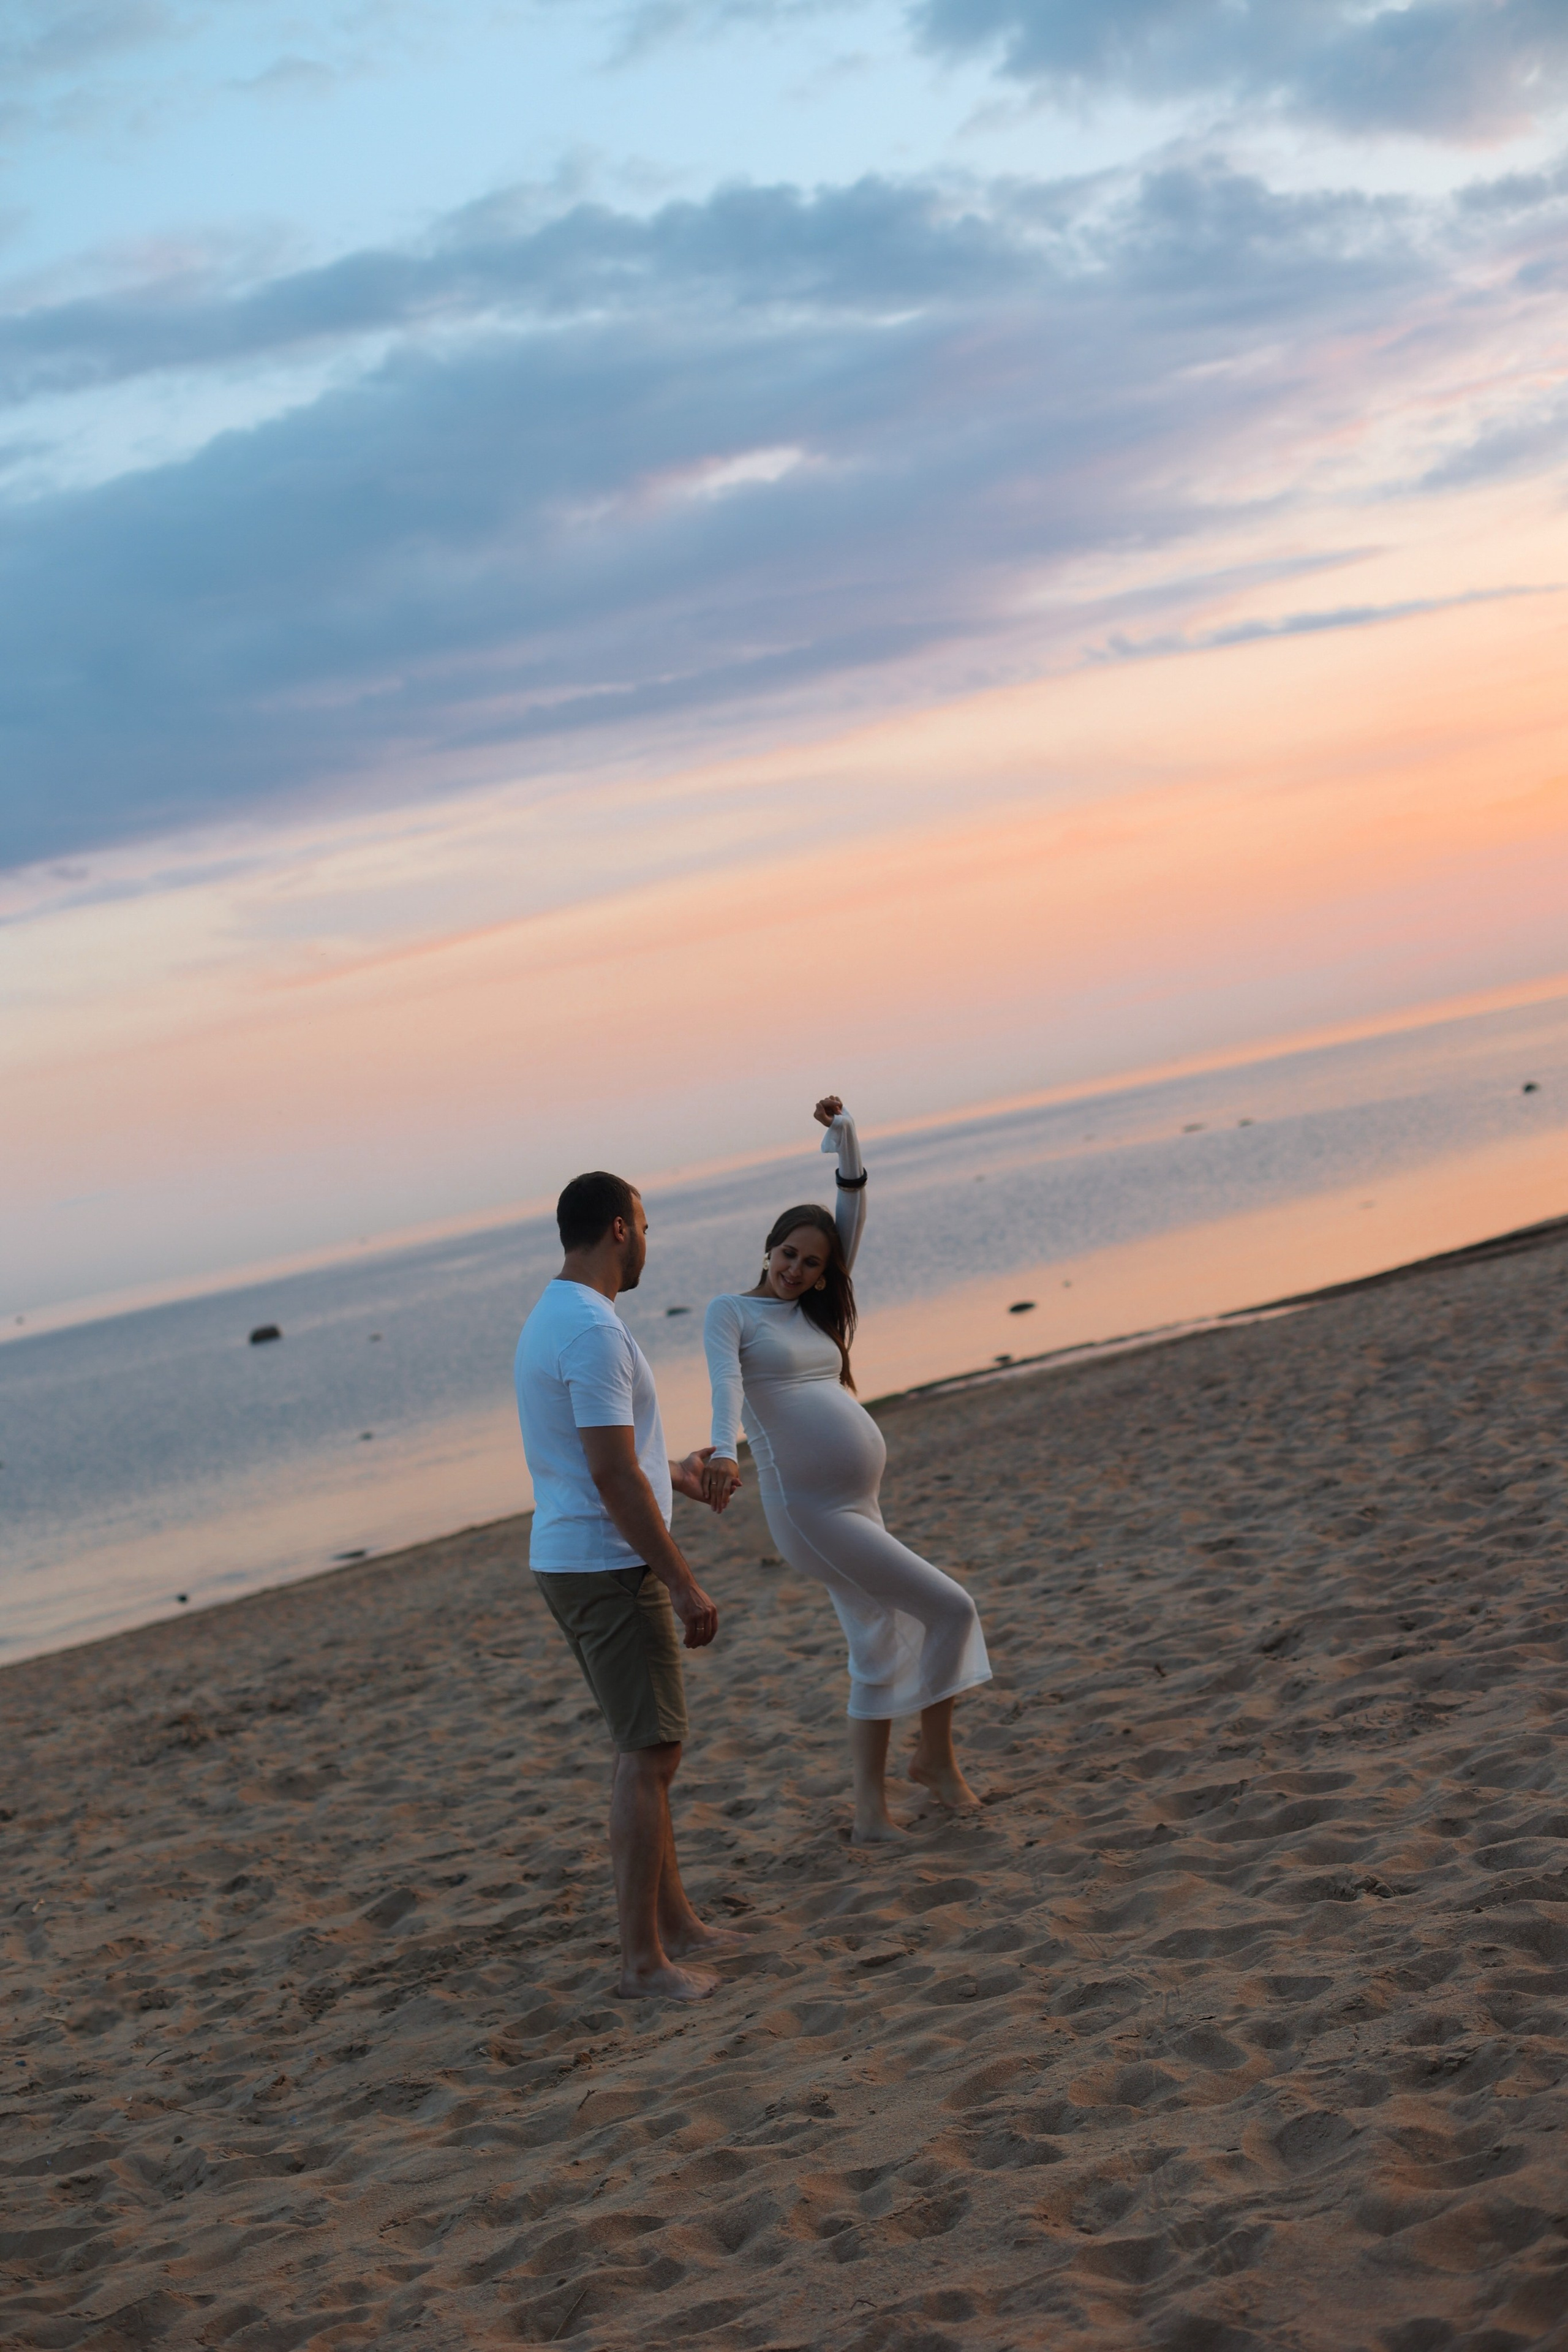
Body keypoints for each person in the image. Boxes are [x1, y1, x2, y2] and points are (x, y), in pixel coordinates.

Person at [701, 1098, 991, 1844]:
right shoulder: (730, 1314)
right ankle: (934, 1763)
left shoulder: (816, 1313)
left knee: (878, 1642)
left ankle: (871, 1813)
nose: (798, 1269)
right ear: (767, 1248)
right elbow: (725, 1389)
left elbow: (851, 1209)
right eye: (789, 1254)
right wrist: (722, 1452)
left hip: (854, 1505)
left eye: (813, 1262)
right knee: (949, 1607)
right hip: (809, 1513)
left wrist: (847, 1138)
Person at [514, 1169, 742, 2002]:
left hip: (577, 1554)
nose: (648, 1241)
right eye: (643, 1225)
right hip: (607, 1564)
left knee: (645, 1749)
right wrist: (682, 1583)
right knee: (649, 1755)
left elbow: (610, 1459)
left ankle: (677, 1925)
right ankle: (644, 1964)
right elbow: (610, 1477)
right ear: (618, 1229)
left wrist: (674, 1474)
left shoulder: (559, 1317)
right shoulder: (592, 1333)